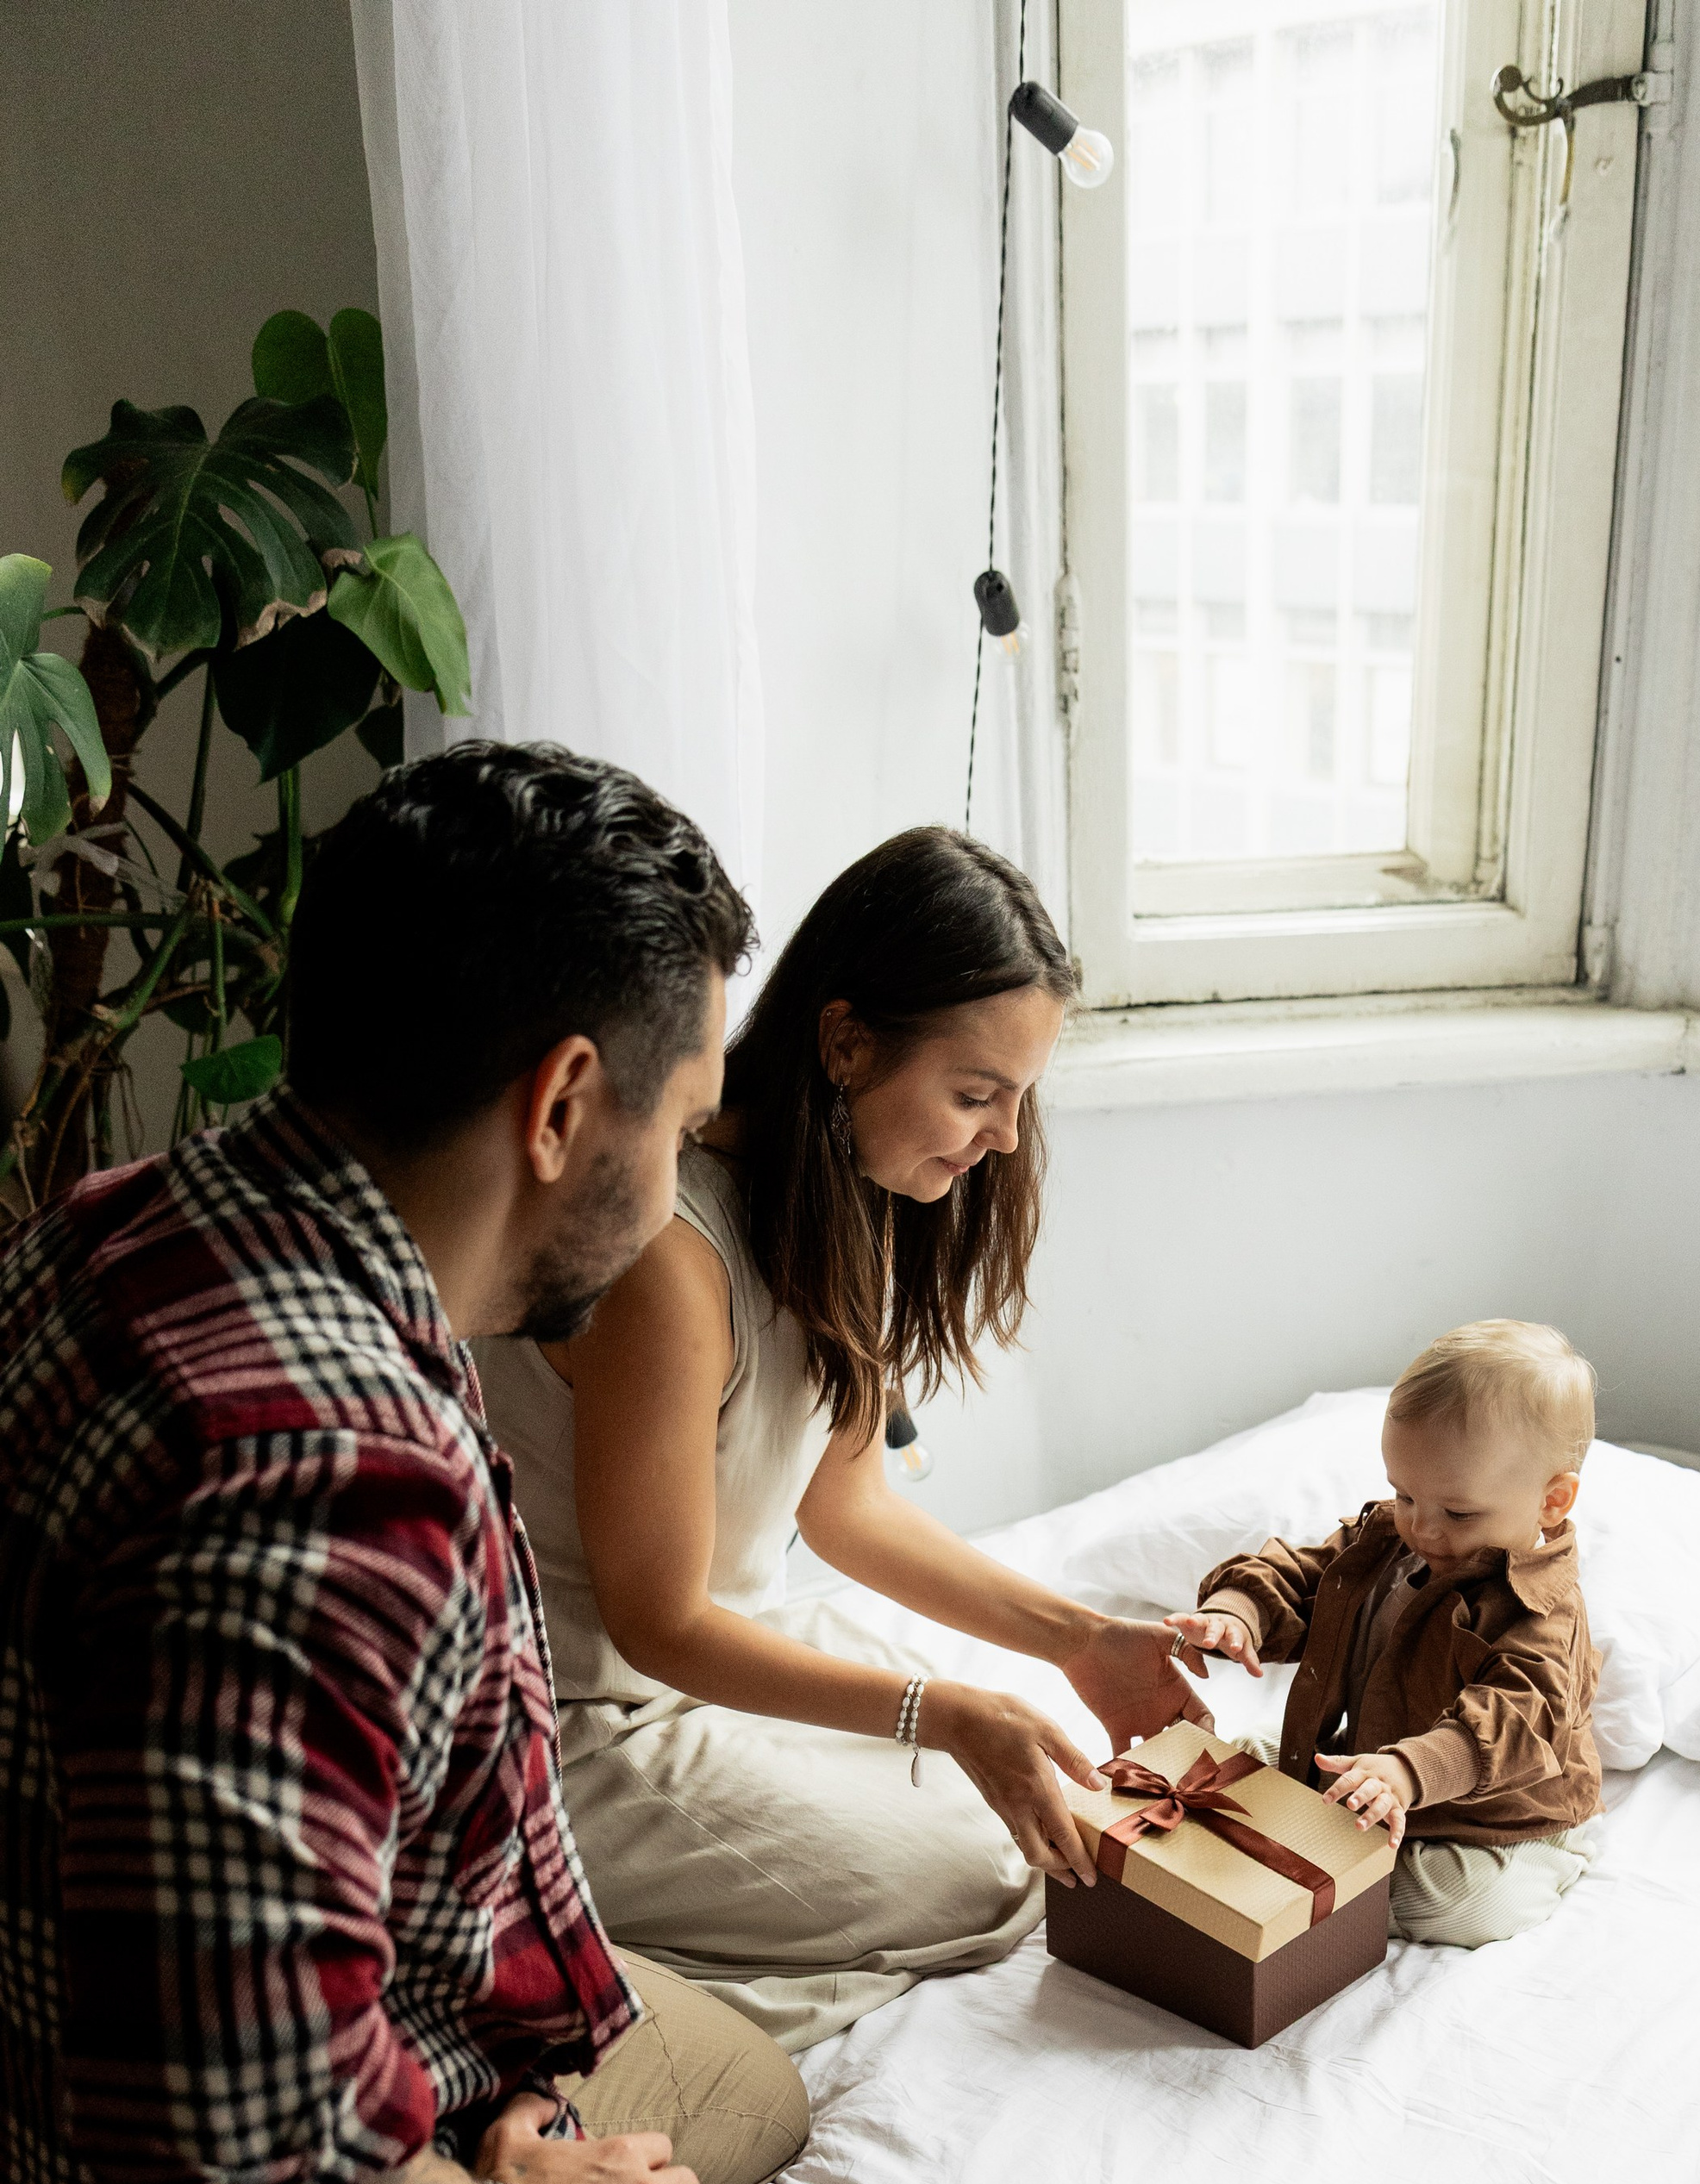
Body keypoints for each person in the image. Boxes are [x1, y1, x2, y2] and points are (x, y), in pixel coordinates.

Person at [0, 741, 1048, 2184]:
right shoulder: (318, 1478)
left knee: (743, 2084)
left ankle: (493, 2175)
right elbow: (268, 2178)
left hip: (342, 2046)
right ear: (569, 1101)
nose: (688, 1169)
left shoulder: (134, 1217)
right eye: (689, 1116)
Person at [476, 825, 1235, 2050]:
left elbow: (848, 1511)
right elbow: (657, 1623)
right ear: (845, 1043)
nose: (998, 1139)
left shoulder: (849, 1204)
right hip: (586, 1725)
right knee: (976, 1860)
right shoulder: (670, 1259)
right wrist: (941, 1716)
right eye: (976, 1093)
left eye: (1018, 1101)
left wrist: (1084, 1641)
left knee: (1041, 1781)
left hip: (732, 1649)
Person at [1183, 1321, 1604, 1950]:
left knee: (1461, 1906)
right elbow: (1305, 1579)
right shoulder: (1389, 1543)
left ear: (1552, 1501)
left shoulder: (1538, 1614)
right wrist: (1238, 1609)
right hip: (1372, 1764)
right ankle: (1329, 1839)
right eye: (1403, 1494)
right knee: (1229, 1761)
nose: (1422, 1528)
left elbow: (1513, 1719)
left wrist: (1406, 1773)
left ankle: (1547, 1860)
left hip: (1492, 1820)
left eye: (1458, 1513)